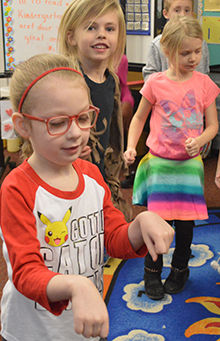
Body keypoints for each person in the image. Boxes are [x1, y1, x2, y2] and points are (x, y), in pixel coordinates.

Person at [0, 53, 174, 341]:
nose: (76, 134)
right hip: (33, 331)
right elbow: (25, 272)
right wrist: (76, 286)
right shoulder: (17, 188)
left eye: (83, 118)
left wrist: (140, 224)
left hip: (86, 324)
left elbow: (113, 237)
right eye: (57, 123)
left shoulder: (92, 175)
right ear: (22, 125)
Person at [123, 16, 220, 301]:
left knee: (187, 226)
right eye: (185, 52)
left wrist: (201, 140)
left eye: (197, 51)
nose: (193, 58)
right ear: (167, 51)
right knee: (157, 224)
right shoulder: (155, 83)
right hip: (159, 165)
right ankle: (151, 273)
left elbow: (213, 124)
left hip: (189, 168)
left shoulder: (204, 84)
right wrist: (131, 147)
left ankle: (179, 270)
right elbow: (139, 118)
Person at [58, 0, 132, 221]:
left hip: (98, 179)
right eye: (91, 27)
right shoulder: (64, 82)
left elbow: (112, 133)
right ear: (71, 37)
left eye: (109, 29)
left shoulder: (111, 82)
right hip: (67, 180)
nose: (102, 34)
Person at [142, 0, 210, 81]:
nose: (182, 15)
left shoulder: (201, 42)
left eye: (187, 10)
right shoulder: (157, 44)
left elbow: (204, 71)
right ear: (166, 13)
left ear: (192, 13)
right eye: (177, 10)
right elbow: (150, 76)